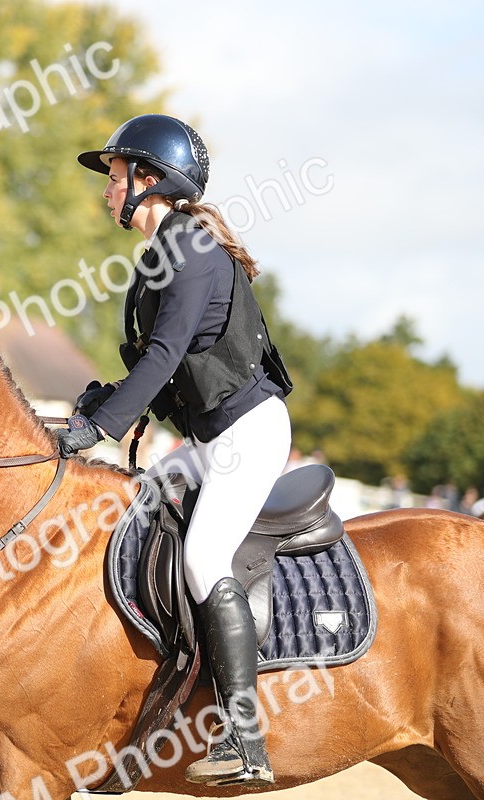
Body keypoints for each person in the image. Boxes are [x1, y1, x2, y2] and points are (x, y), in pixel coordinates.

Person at [58, 114, 293, 788]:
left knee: (201, 555)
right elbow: (162, 367)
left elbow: (163, 357)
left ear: (149, 180)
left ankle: (246, 737)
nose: (107, 191)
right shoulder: (164, 253)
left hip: (247, 434)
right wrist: (102, 402)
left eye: (115, 177)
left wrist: (98, 428)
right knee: (134, 516)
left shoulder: (189, 250)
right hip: (208, 437)